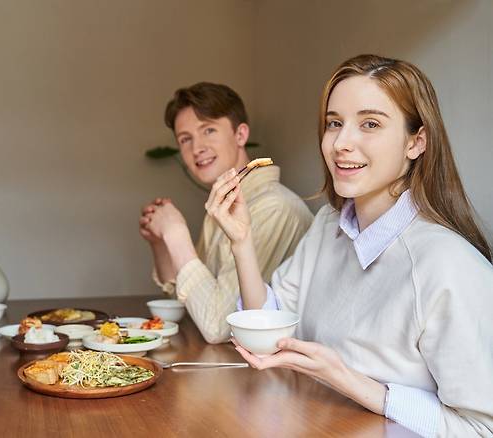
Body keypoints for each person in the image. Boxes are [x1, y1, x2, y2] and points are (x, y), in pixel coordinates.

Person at [206, 54, 493, 437]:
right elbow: (270, 336)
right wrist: (241, 242)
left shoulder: (450, 266)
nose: (342, 143)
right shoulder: (328, 225)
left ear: (416, 141)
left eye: (370, 124)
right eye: (334, 123)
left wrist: (344, 378)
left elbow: (480, 427)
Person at [140, 82, 313, 344]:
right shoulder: (224, 204)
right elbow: (189, 302)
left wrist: (176, 234)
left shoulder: (274, 207)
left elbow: (218, 326)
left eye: (208, 130)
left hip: (269, 372)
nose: (196, 147)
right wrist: (160, 243)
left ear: (241, 135)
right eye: (185, 139)